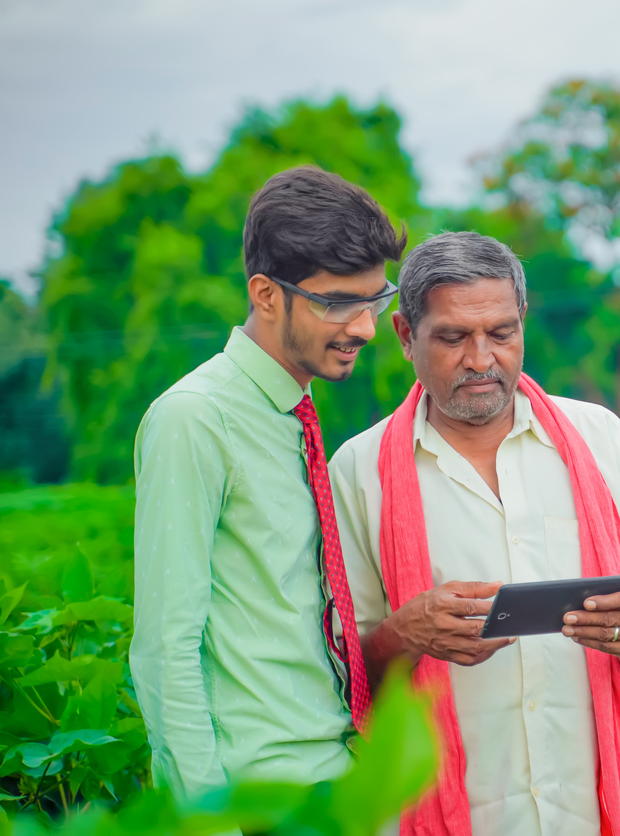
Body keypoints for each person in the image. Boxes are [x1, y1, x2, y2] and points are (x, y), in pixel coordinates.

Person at [329, 231, 620, 836]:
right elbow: (345, 679)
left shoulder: (597, 439)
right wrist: (405, 632)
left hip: (585, 813)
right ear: (403, 335)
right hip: (440, 813)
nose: (480, 359)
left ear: (522, 322)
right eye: (452, 337)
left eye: (501, 333)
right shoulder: (358, 472)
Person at [129, 165, 405, 799]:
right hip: (256, 799)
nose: (364, 328)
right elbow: (166, 651)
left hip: (333, 783)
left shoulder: (292, 419)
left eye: (374, 299)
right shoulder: (195, 419)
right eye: (338, 303)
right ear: (267, 295)